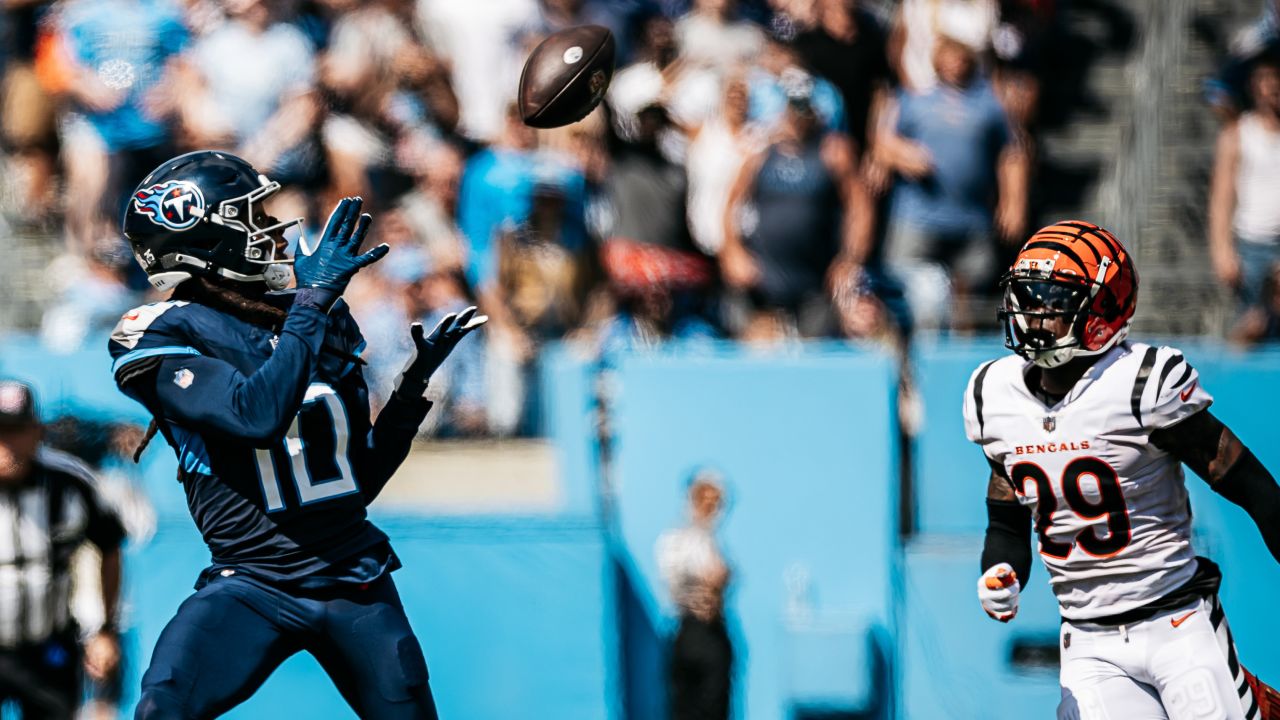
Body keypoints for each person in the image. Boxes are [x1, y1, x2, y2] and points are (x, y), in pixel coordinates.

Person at [107, 150, 486, 718]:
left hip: (352, 576)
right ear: (203, 237)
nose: (274, 230)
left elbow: (355, 486)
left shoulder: (317, 317)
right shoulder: (161, 331)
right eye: (251, 217)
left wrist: (410, 393)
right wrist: (309, 306)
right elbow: (253, 414)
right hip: (252, 581)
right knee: (163, 708)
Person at [965, 221, 1280, 719]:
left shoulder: (1138, 385)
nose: (1033, 314)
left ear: (1102, 310)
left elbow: (1250, 485)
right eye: (1028, 295)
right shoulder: (993, 395)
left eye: (1053, 299)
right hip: (1088, 641)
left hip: (1176, 619)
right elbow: (1006, 517)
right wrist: (1001, 570)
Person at [0, 380, 126, 720]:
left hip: (48, 646)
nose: (7, 445)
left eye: (16, 431)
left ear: (37, 431)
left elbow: (110, 548)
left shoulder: (70, 482)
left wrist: (105, 630)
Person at [656, 469, 733, 720]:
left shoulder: (708, 542)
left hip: (706, 635)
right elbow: (704, 578)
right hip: (693, 633)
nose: (711, 508)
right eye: (704, 499)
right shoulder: (678, 541)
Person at [1209, 52, 1280, 315]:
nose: (1272, 86)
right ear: (1254, 85)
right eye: (1265, 79)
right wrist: (1222, 251)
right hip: (1251, 244)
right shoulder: (1238, 133)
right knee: (1252, 325)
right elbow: (1222, 197)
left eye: (1276, 79)